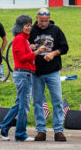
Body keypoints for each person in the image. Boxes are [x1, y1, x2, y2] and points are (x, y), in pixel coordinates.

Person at [0, 15, 45, 142]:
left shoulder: (24, 40)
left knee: (19, 104)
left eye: (30, 25)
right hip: (23, 74)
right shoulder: (20, 39)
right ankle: (20, 134)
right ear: (20, 26)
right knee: (24, 106)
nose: (29, 27)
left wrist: (30, 49)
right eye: (26, 25)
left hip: (25, 74)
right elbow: (21, 58)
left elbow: (24, 54)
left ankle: (3, 127)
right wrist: (36, 53)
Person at [29, 8, 70, 142]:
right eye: (41, 21)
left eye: (46, 21)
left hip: (52, 71)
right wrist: (30, 47)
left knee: (57, 100)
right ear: (37, 18)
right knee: (37, 102)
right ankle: (41, 130)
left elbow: (64, 48)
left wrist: (53, 54)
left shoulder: (56, 30)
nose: (44, 23)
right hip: (36, 72)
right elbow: (23, 47)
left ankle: (58, 131)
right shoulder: (31, 31)